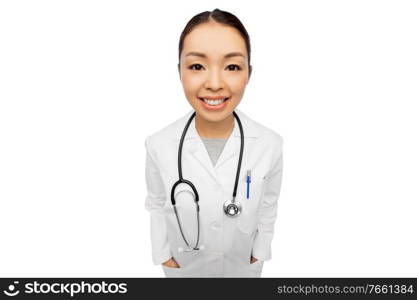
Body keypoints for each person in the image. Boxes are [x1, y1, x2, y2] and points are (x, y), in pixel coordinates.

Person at [144, 8, 283, 277]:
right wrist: (163, 255)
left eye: (232, 66)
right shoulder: (158, 144)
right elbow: (156, 203)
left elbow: (269, 203)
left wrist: (260, 251)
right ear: (179, 72)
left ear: (248, 74)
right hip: (184, 271)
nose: (215, 84)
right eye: (197, 66)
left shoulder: (270, 144)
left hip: (242, 270)